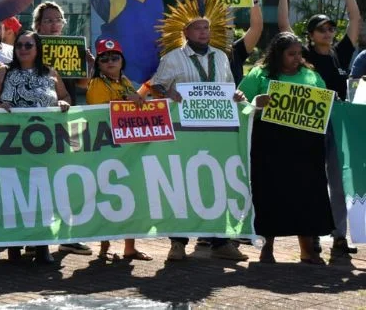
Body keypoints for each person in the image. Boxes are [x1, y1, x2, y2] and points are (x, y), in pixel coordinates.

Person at [148, 15, 247, 263]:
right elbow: (155, 86)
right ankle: (178, 243)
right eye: (198, 28)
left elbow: (229, 87)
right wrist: (169, 91)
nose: (204, 32)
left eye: (207, 28)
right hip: (185, 133)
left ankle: (221, 242)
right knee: (183, 183)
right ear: (186, 31)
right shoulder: (172, 58)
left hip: (217, 131)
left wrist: (236, 95)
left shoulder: (221, 56)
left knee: (216, 182)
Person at [278, 0, 360, 258]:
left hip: (338, 124)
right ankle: (309, 236)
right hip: (310, 124)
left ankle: (339, 236)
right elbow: (285, 24)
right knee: (312, 181)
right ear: (310, 36)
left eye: (331, 28)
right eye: (322, 29)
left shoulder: (341, 53)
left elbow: (355, 19)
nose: (329, 32)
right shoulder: (305, 56)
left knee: (339, 184)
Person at [239, 32, 333, 264]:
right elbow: (239, 107)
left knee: (307, 194)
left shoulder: (310, 75)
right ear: (278, 54)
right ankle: (266, 249)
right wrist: (254, 105)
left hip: (305, 146)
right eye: (291, 54)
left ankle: (307, 251)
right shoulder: (258, 74)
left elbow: (324, 103)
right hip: (270, 144)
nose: (296, 58)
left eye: (299, 54)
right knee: (269, 193)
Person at [0, 30, 67, 265]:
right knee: (14, 195)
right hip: (13, 145)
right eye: (19, 45)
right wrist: (1, 106)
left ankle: (41, 246)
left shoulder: (50, 73)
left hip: (44, 147)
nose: (23, 49)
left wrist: (62, 102)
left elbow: (65, 96)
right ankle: (14, 247)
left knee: (42, 195)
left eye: (28, 45)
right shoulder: (3, 71)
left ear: (37, 48)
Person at [32, 1, 93, 256]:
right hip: (35, 125)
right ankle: (36, 238)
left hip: (65, 119)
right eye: (48, 20)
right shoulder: (28, 47)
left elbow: (84, 83)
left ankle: (68, 236)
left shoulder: (72, 47)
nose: (54, 24)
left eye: (58, 19)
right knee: (37, 182)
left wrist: (89, 62)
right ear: (37, 25)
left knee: (67, 179)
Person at [85, 38, 150, 262]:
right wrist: (130, 102)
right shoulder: (97, 85)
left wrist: (138, 100)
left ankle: (130, 248)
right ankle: (104, 247)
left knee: (131, 197)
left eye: (114, 57)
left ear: (122, 60)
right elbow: (101, 116)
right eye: (104, 58)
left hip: (128, 150)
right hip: (106, 149)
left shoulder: (126, 82)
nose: (110, 62)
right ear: (99, 64)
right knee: (106, 197)